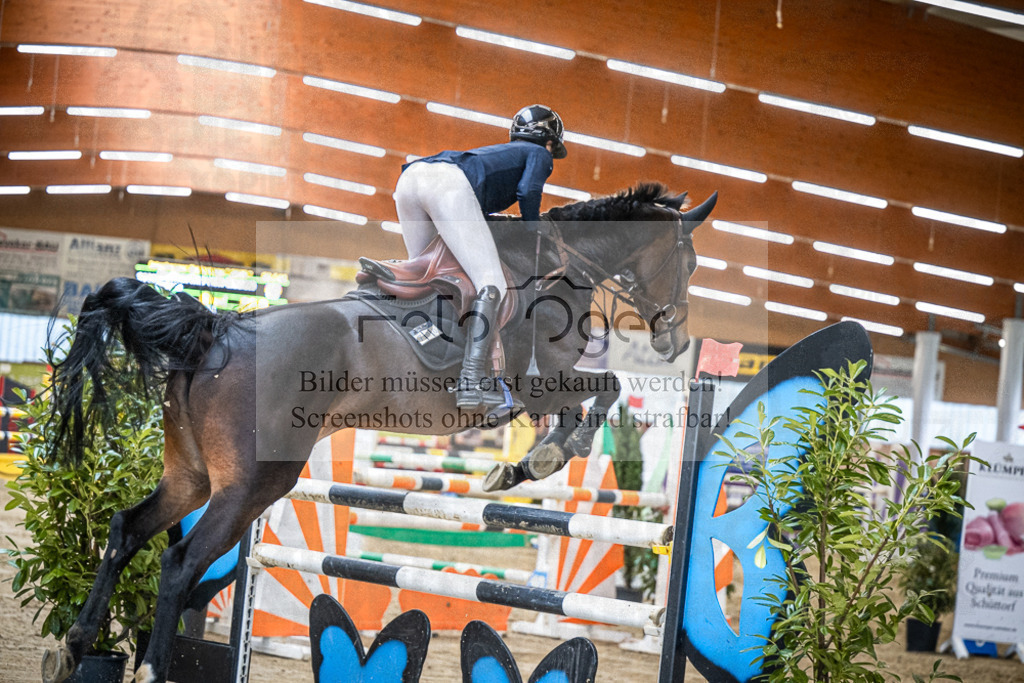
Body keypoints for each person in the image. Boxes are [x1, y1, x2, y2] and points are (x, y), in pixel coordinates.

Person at [393, 104, 568, 410]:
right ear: (550, 141)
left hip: (411, 179)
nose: (551, 153)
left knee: (423, 274)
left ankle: (415, 339)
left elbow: (475, 213)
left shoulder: (502, 153)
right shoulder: (539, 154)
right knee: (493, 284)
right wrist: (534, 229)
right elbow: (528, 192)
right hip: (448, 185)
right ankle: (472, 379)